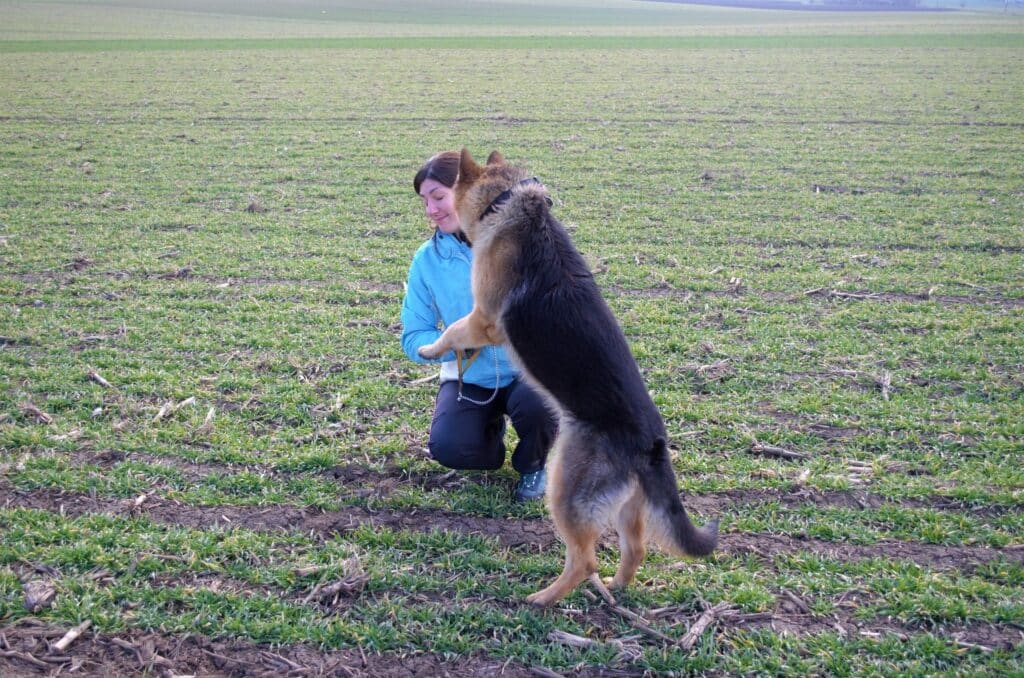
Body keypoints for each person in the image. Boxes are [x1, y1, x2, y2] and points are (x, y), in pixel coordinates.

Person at [400, 151, 556, 502]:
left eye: (438, 197)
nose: (431, 210)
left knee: (542, 405)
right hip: (468, 376)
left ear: (468, 191)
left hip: (526, 372)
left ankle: (534, 463)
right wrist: (457, 341)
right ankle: (488, 430)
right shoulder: (427, 261)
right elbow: (413, 336)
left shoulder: (519, 245)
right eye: (425, 201)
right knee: (453, 449)